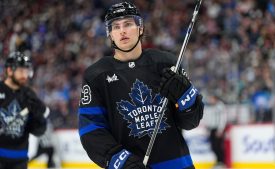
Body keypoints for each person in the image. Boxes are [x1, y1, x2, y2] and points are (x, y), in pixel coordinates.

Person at [78, 2, 204, 169]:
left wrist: (186, 98)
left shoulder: (167, 63)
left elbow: (191, 122)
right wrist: (120, 161)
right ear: (110, 34)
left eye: (128, 24)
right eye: (116, 27)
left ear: (141, 28)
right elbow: (91, 130)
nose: (122, 30)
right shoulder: (96, 76)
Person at [0, 51, 50, 169]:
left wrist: (39, 118)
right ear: (9, 71)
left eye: (26, 71)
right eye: (21, 70)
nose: (25, 75)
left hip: (19, 161)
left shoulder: (29, 95)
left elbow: (38, 131)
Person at [202, 94, 227, 169]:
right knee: (213, 146)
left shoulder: (220, 106)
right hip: (212, 129)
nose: (210, 100)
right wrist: (207, 127)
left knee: (218, 146)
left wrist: (220, 129)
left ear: (215, 99)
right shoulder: (210, 106)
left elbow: (223, 118)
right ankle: (218, 161)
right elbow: (208, 117)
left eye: (212, 98)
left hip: (217, 129)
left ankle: (221, 162)